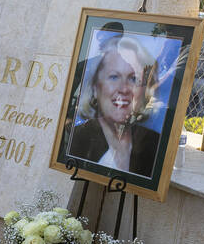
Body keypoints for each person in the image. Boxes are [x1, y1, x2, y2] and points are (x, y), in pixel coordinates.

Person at [68, 36, 161, 177]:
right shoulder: (75, 140)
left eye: (133, 78)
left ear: (144, 90)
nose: (124, 89)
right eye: (113, 77)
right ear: (95, 86)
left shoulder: (154, 144)